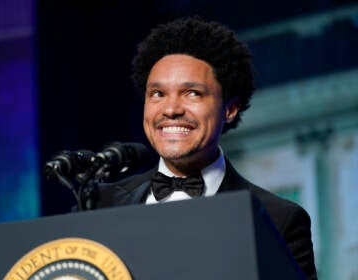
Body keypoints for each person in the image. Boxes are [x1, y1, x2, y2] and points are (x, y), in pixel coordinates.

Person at [97, 15, 318, 279]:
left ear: (230, 109)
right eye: (157, 94)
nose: (171, 109)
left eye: (192, 93)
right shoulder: (100, 205)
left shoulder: (278, 220)